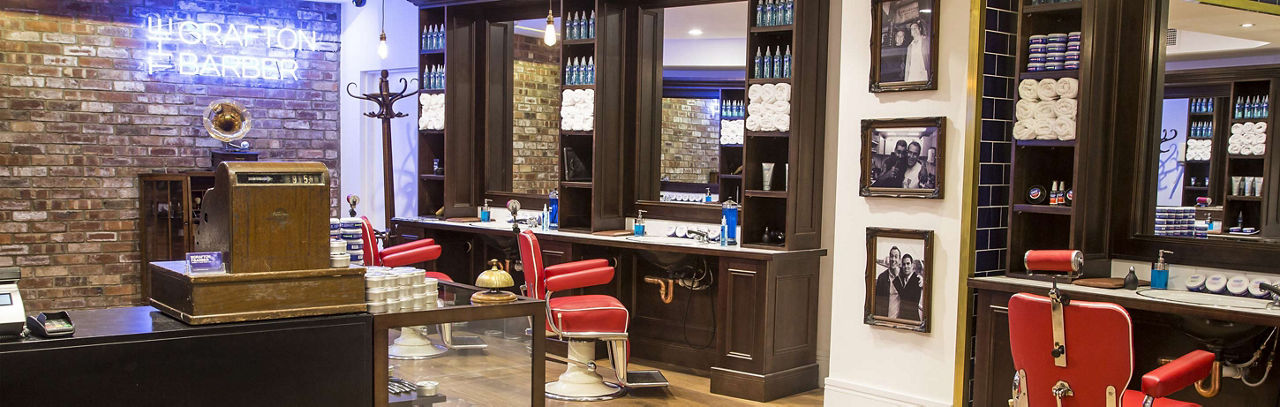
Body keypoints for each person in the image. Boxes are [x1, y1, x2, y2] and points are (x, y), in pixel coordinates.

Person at [873, 246, 902, 318]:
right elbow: (877, 301)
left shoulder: (904, 276)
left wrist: (921, 279)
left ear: (899, 260)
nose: (893, 259)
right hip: (886, 318)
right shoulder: (882, 278)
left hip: (900, 319)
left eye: (896, 257)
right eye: (891, 256)